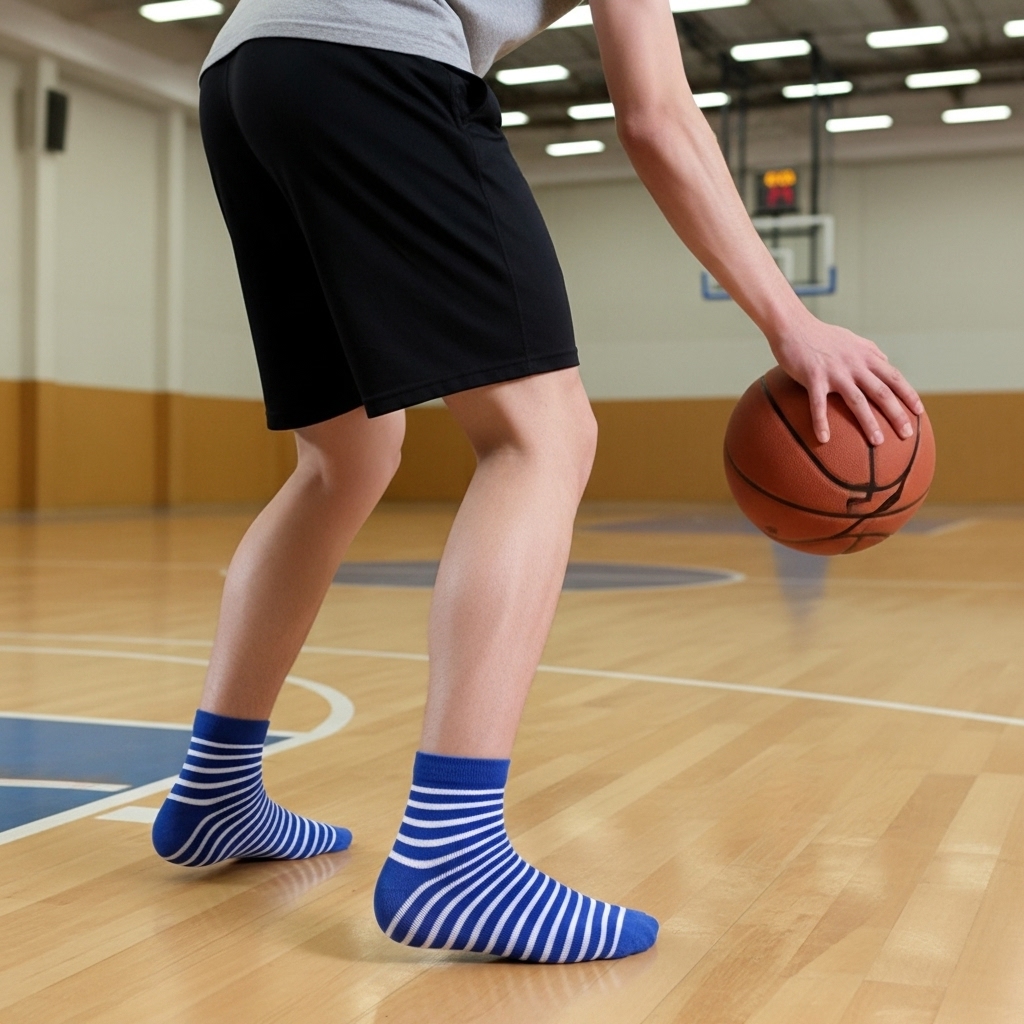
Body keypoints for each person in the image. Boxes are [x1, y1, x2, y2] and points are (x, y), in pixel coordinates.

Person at [151, 0, 924, 964]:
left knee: (344, 454)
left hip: (248, 72)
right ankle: (455, 856)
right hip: (375, 66)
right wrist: (790, 322)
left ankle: (216, 790)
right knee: (544, 436)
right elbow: (656, 115)